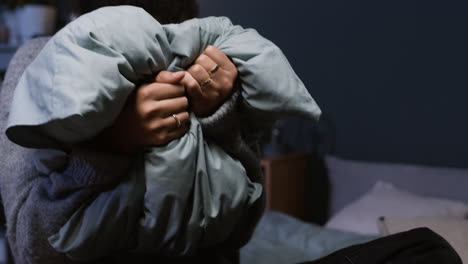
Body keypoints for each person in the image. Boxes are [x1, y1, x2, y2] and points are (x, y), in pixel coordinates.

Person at [0, 1, 267, 263]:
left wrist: (217, 119)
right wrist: (111, 142)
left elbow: (243, 227)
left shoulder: (210, 56)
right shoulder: (44, 61)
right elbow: (31, 247)